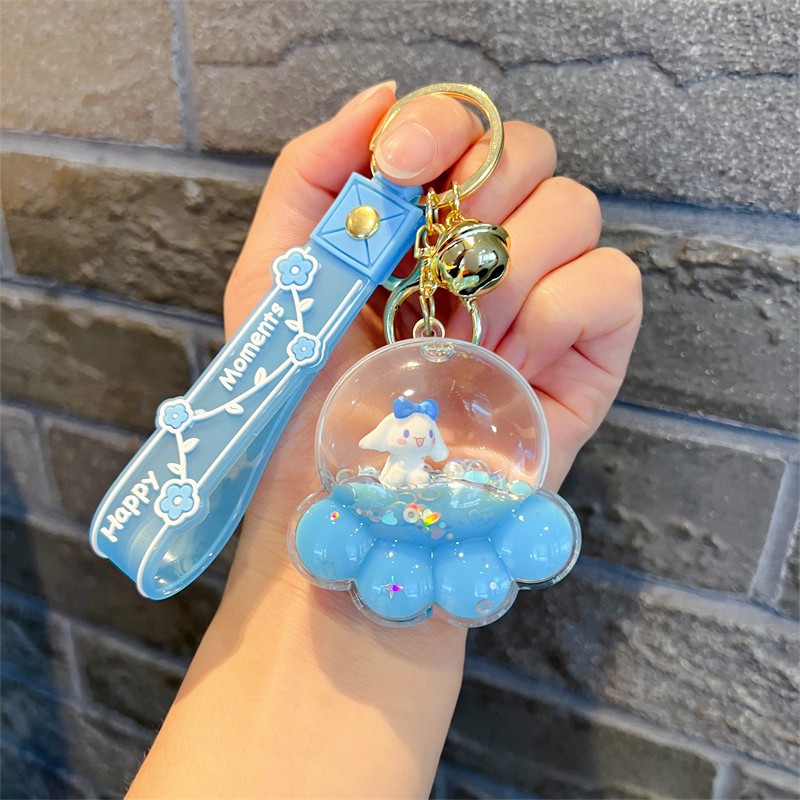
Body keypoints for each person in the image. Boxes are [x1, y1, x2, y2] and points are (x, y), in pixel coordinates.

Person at [127, 80, 642, 799]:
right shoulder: (386, 426)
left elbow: (427, 455)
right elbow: (384, 444)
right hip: (375, 523)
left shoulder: (430, 434)